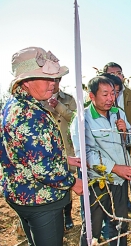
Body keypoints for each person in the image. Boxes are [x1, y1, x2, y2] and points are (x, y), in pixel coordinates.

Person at [0, 46, 83, 246]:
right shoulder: (30, 115)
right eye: (46, 79)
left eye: (54, 79)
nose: (53, 84)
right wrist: (72, 181)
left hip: (19, 192)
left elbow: (28, 152)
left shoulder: (15, 105)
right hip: (40, 199)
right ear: (25, 82)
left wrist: (63, 159)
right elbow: (43, 169)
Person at [70, 76, 131, 246]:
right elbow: (85, 155)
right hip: (98, 181)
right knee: (93, 224)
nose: (110, 98)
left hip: (120, 180)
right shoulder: (82, 119)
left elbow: (129, 142)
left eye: (113, 93)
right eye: (105, 94)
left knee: (119, 220)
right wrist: (115, 168)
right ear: (92, 96)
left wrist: (125, 132)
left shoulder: (117, 113)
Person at [41, 76, 77, 230]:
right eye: (50, 80)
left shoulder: (68, 99)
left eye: (56, 80)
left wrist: (59, 106)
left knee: (67, 182)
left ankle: (67, 215)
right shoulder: (38, 99)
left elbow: (75, 118)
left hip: (66, 147)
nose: (53, 83)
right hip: (47, 149)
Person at [103, 62, 131, 213]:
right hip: (104, 152)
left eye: (119, 73)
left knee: (124, 172)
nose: (116, 76)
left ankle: (124, 201)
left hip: (125, 140)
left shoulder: (130, 94)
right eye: (112, 74)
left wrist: (126, 131)